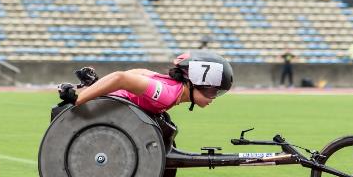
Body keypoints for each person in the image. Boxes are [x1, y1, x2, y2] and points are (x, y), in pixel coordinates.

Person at [58, 51, 233, 116]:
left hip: (111, 101)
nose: (213, 98)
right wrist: (78, 98)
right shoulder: (166, 94)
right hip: (106, 108)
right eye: (211, 92)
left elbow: (137, 73)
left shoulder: (171, 85)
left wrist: (97, 85)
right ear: (194, 83)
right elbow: (121, 78)